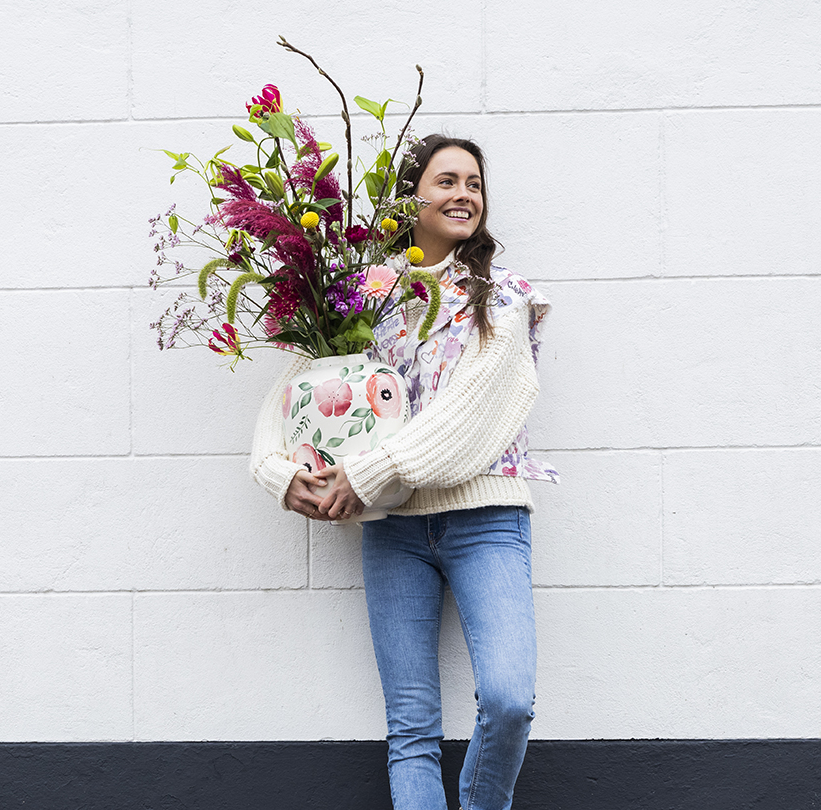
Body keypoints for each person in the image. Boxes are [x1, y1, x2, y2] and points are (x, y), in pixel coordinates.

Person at [247, 134, 555, 810]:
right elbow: (298, 389)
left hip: (486, 521)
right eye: (447, 181)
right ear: (410, 201)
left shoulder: (501, 296)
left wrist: (370, 471)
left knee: (508, 700)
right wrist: (279, 472)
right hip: (392, 529)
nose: (464, 195)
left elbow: (473, 414)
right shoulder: (366, 295)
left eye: (474, 183)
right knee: (411, 729)